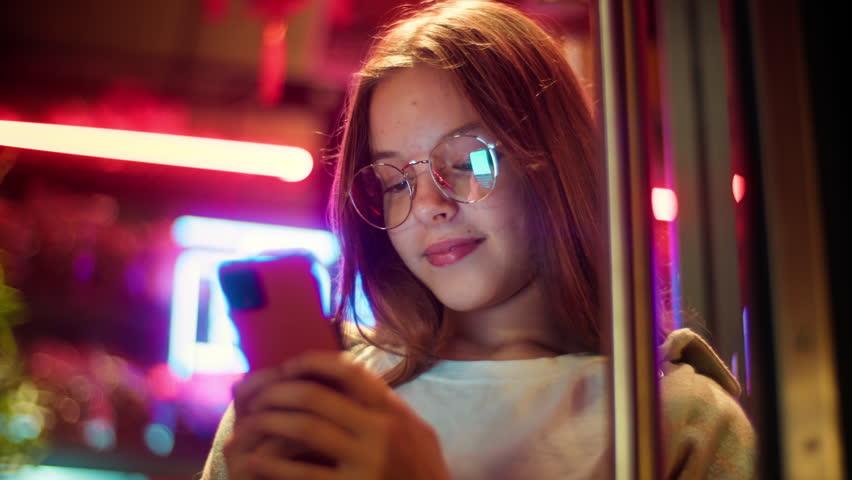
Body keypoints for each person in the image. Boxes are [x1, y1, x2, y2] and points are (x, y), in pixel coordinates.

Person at [202, 1, 755, 478]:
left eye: (467, 163)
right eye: (396, 182)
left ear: (554, 162)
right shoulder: (324, 401)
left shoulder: (681, 417)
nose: (427, 207)